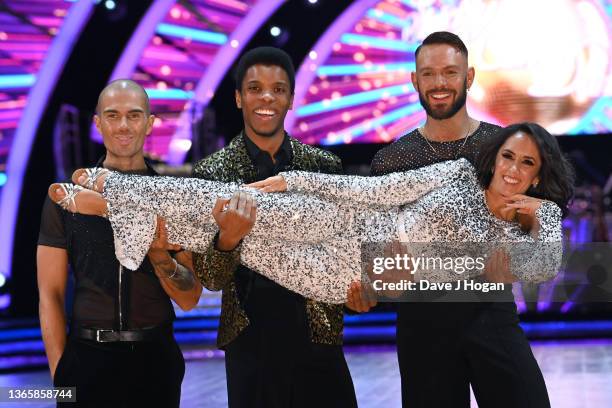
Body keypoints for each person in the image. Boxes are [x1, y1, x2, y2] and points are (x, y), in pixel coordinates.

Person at [48, 122, 572, 306]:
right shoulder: (458, 171)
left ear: (536, 174)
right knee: (235, 204)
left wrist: (543, 212)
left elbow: (542, 267)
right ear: (496, 155)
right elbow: (380, 190)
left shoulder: (514, 235)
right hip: (343, 221)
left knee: (231, 238)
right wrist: (301, 178)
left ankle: (117, 202)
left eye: (527, 164)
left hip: (346, 275)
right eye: (508, 155)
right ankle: (118, 189)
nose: (512, 169)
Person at [365, 31, 573, 407]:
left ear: (470, 77)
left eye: (450, 72)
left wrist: (519, 251)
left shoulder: (502, 146)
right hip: (421, 320)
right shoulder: (390, 161)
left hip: (490, 309)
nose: (439, 83)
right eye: (428, 74)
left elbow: (537, 218)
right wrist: (383, 274)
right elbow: (381, 254)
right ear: (415, 80)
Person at [195, 47, 357, 408]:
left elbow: (345, 253)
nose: (266, 97)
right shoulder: (212, 173)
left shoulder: (324, 166)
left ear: (290, 99)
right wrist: (227, 240)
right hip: (250, 342)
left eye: (278, 89)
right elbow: (209, 276)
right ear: (239, 98)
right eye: (255, 88)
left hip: (319, 336)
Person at [37, 79, 202, 407]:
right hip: (87, 360)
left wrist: (160, 257)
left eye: (134, 115)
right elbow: (50, 294)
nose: (123, 125)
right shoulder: (66, 198)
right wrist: (61, 375)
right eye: (112, 116)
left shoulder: (175, 199)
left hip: (156, 361)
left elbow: (189, 298)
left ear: (150, 123)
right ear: (98, 123)